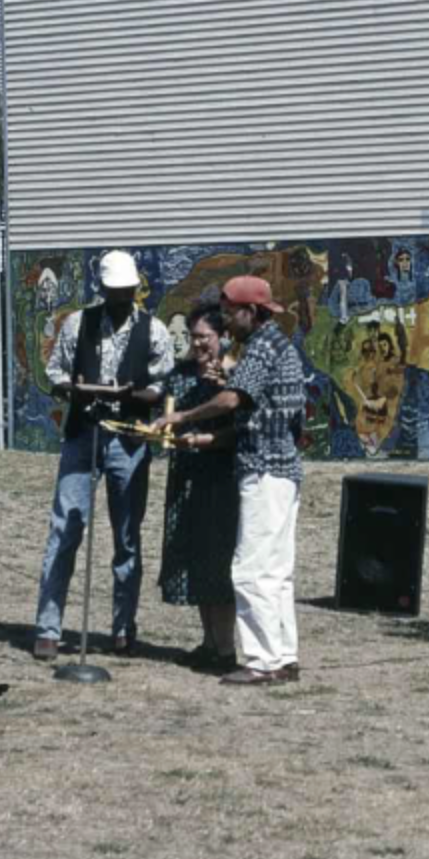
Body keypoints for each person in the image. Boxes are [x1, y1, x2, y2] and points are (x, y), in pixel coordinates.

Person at [152, 276, 306, 686]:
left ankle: (261, 662)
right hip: (283, 470)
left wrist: (181, 416)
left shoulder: (262, 346)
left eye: (229, 313)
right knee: (276, 571)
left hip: (265, 469)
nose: (226, 321)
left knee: (252, 569)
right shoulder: (278, 345)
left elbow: (233, 400)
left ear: (250, 312)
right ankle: (283, 657)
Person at [34, 250, 174, 660]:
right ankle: (48, 627)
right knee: (65, 528)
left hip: (128, 440)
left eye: (127, 291)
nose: (121, 298)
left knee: (127, 536)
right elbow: (55, 372)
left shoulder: (154, 330)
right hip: (84, 433)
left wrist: (134, 395)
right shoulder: (78, 323)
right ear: (102, 290)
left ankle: (123, 627)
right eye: (114, 292)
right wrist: (73, 390)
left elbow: (162, 385)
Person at [159, 305, 240, 665]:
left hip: (220, 478)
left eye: (204, 337)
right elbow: (168, 413)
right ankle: (209, 642)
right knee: (196, 560)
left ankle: (225, 648)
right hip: (187, 474)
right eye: (193, 337)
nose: (197, 344)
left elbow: (239, 424)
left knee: (218, 562)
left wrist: (223, 382)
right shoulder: (181, 374)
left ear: (222, 336)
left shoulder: (235, 373)